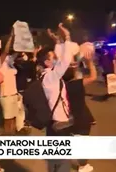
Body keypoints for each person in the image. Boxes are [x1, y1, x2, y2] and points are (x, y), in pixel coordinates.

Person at [36, 23, 74, 172]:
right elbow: (64, 61)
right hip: (60, 123)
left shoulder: (47, 75)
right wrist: (68, 37)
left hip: (54, 123)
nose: (56, 59)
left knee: (54, 160)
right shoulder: (51, 76)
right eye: (52, 58)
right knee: (63, 161)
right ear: (46, 62)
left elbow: (60, 59)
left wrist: (58, 42)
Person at [62, 42, 97, 172]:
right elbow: (93, 76)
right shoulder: (77, 84)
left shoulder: (60, 85)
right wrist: (90, 62)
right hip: (81, 117)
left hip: (67, 117)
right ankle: (82, 166)